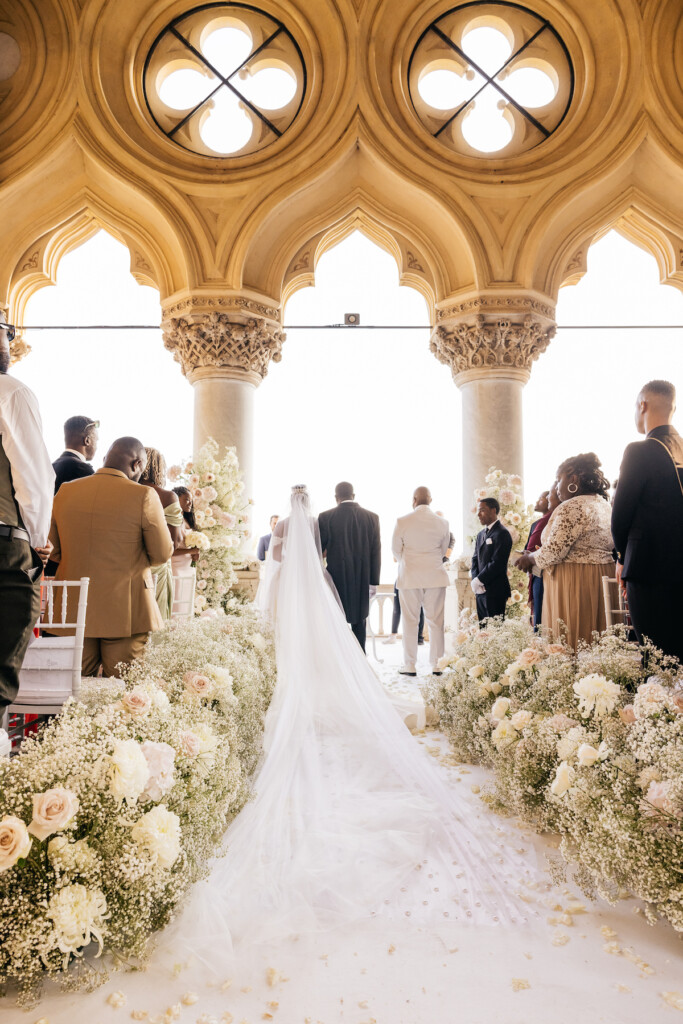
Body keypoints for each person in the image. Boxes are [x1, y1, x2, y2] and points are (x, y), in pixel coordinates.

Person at [216, 484, 528, 956]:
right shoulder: (387, 520)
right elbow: (405, 551)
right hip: (358, 581)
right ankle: (409, 665)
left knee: (311, 638)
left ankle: (357, 667)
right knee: (374, 634)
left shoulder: (295, 527)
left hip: (303, 584)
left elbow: (281, 559)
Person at [48, 436, 173, 677]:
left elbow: (53, 549)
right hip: (126, 610)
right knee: (124, 693)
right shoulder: (144, 496)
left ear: (106, 459)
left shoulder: (66, 491)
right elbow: (162, 553)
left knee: (72, 691)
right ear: (136, 464)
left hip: (71, 609)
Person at [0, 318, 55, 707]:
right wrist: (38, 540)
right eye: (7, 332)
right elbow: (33, 477)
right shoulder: (11, 392)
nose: (9, 340)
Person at [612, 379, 683, 662]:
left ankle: (661, 706)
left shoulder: (639, 451)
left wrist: (620, 558)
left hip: (648, 568)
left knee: (656, 654)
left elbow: (620, 516)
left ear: (643, 405)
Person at [516, 453, 615, 650]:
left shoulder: (572, 506)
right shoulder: (602, 504)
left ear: (573, 479)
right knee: (596, 641)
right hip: (600, 576)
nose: (557, 486)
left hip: (574, 581)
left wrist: (529, 557)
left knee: (571, 641)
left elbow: (553, 551)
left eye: (558, 479)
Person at [391, 486, 450, 675]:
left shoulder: (402, 521)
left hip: (410, 577)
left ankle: (409, 665)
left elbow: (395, 550)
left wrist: (407, 562)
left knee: (410, 621)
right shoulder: (443, 522)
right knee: (436, 622)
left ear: (414, 500)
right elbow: (443, 550)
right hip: (435, 576)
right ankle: (437, 664)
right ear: (430, 500)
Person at [318, 481, 380, 652]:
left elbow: (319, 551)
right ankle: (360, 658)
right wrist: (373, 582)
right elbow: (376, 552)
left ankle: (339, 659)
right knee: (359, 621)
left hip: (335, 579)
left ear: (336, 498)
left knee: (335, 620)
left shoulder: (325, 517)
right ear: (353, 496)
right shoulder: (372, 517)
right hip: (362, 578)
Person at [140, 447, 184, 621]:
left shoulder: (127, 491)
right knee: (156, 619)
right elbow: (176, 540)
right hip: (157, 567)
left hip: (130, 566)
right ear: (158, 468)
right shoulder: (167, 496)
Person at [470, 498, 513, 624]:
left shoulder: (502, 533)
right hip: (480, 590)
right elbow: (474, 559)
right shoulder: (480, 534)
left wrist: (480, 580)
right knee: (483, 629)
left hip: (496, 591)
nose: (478, 514)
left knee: (495, 630)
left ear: (493, 511)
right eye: (478, 511)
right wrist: (475, 581)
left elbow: (498, 562)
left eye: (482, 510)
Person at [522, 489, 558, 629]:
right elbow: (528, 547)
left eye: (542, 498)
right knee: (536, 610)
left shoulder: (553, 520)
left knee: (542, 611)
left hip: (544, 571)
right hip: (534, 570)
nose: (538, 501)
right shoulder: (535, 524)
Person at [52, 415, 99, 493]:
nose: (96, 447)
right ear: (87, 440)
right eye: (96, 441)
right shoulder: (83, 470)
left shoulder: (52, 466)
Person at [171, 485, 201, 575]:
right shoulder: (171, 520)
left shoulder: (187, 520)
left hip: (188, 565)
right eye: (187, 499)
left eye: (191, 501)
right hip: (176, 565)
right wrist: (191, 551)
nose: (190, 503)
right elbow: (169, 550)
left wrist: (195, 552)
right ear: (176, 499)